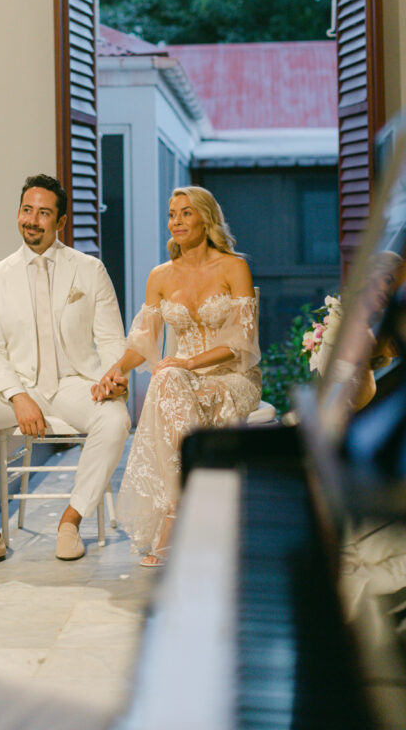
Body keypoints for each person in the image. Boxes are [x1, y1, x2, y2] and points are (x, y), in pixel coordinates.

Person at [0, 174, 130, 572]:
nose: (33, 220)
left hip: (74, 384)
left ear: (60, 221)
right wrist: (17, 395)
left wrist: (111, 377)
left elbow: (112, 339)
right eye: (27, 210)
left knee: (115, 420)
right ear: (18, 214)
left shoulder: (89, 270)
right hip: (18, 387)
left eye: (44, 213)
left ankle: (71, 522)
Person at [92, 186, 261, 566]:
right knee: (166, 380)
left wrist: (187, 363)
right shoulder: (160, 276)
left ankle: (176, 517)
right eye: (172, 214)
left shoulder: (234, 267)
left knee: (167, 378)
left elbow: (242, 343)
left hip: (231, 377)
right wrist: (116, 370)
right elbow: (143, 340)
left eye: (186, 213)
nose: (177, 221)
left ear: (207, 218)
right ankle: (180, 506)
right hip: (178, 382)